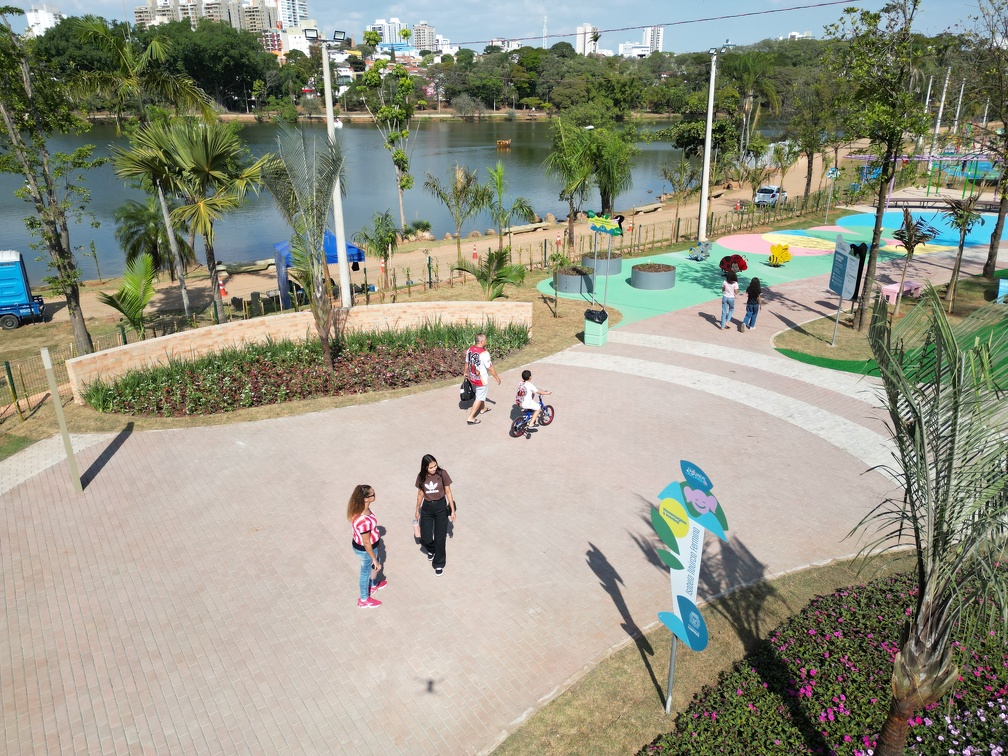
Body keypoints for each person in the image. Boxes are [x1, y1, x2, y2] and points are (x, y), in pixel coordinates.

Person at [414, 454, 456, 575]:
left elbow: (448, 492)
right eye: (431, 467)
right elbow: (420, 494)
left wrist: (452, 510)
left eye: (435, 465)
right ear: (424, 467)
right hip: (427, 507)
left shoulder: (442, 474)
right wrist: (417, 509)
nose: (434, 469)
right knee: (425, 538)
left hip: (440, 508)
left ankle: (439, 563)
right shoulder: (421, 477)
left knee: (440, 537)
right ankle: (431, 549)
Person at [347, 484, 386, 608]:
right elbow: (366, 542)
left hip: (372, 545)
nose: (375, 495)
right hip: (365, 550)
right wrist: (373, 558)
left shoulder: (363, 509)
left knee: (376, 563)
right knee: (365, 572)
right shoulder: (362, 520)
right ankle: (364, 599)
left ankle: (373, 584)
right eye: (372, 494)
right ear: (365, 499)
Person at [464, 333, 501, 425]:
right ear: (481, 341)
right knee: (479, 397)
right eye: (485, 340)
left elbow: (467, 362)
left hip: (472, 377)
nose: (486, 341)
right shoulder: (484, 353)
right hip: (481, 380)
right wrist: (497, 377)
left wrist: (465, 372)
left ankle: (483, 408)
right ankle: (471, 417)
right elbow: (490, 368)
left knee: (480, 395)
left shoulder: (470, 349)